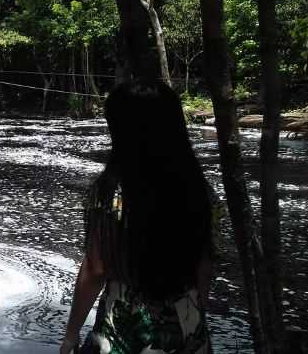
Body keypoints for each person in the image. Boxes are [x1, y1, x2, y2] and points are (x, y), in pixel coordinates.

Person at [60, 80, 221, 354]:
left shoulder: (111, 192)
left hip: (124, 328)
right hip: (188, 322)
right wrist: (195, 309)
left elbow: (95, 270)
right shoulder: (199, 190)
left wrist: (71, 334)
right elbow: (204, 264)